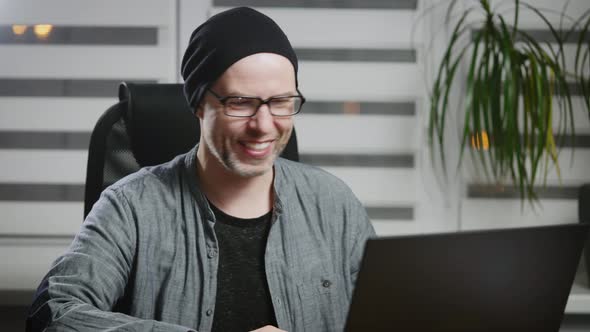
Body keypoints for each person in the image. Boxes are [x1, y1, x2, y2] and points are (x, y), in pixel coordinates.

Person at [27, 7, 375, 332]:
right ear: (198, 104)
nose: (264, 125)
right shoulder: (130, 206)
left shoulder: (333, 202)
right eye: (241, 103)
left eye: (281, 102)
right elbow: (55, 312)